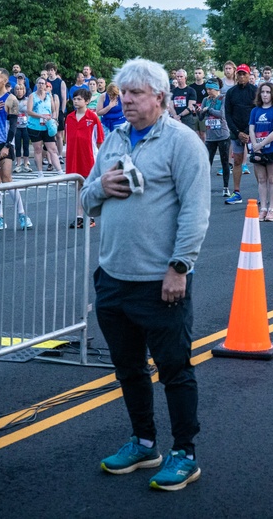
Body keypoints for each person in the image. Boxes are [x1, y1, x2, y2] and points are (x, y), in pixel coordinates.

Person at [83, 58, 209, 492]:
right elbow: (86, 198)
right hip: (113, 277)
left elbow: (196, 211)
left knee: (175, 370)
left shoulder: (182, 142)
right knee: (129, 369)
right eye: (122, 93)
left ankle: (184, 453)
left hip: (161, 280)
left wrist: (179, 267)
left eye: (135, 94)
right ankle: (143, 443)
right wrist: (102, 187)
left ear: (159, 96)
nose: (127, 101)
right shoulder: (115, 137)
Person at [0, 68, 32, 231]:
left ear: (4, 80)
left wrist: (7, 145)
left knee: (7, 178)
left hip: (5, 144)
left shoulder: (11, 99)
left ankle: (22, 214)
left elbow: (14, 126)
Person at [65, 88, 105, 228]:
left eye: (79, 99)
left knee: (89, 187)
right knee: (78, 187)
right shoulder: (69, 117)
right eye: (75, 99)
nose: (76, 101)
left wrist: (101, 158)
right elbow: (67, 138)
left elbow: (99, 140)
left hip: (88, 157)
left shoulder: (92, 118)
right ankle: (79, 216)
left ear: (87, 101)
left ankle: (91, 216)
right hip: (74, 157)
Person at [248, 82, 273, 222]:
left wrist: (262, 144)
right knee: (261, 179)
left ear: (272, 94)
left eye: (268, 92)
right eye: (263, 92)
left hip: (272, 148)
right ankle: (263, 208)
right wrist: (255, 145)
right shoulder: (255, 110)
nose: (265, 95)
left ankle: (272, 209)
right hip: (258, 149)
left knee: (272, 179)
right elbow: (251, 128)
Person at [223, 64, 256, 205]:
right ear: (236, 75)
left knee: (259, 162)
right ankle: (236, 192)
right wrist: (237, 132)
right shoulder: (231, 93)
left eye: (245, 74)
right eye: (240, 74)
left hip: (253, 132)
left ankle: (262, 193)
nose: (242, 77)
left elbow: (257, 111)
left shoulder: (255, 91)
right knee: (237, 161)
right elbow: (228, 114)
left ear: (249, 75)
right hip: (236, 132)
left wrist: (249, 132)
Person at [199, 80, 231, 197]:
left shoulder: (223, 99)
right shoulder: (205, 100)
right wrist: (199, 112)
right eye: (207, 89)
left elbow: (222, 114)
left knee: (224, 162)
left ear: (216, 89)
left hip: (222, 135)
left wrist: (209, 110)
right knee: (207, 163)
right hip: (210, 136)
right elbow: (201, 117)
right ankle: (204, 188)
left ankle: (226, 187)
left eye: (210, 89)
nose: (208, 91)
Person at [28, 76, 62, 180]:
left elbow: (54, 109)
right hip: (35, 126)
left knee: (52, 149)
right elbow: (29, 111)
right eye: (39, 83)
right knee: (38, 149)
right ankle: (40, 172)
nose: (41, 85)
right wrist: (41, 116)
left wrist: (54, 119)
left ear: (46, 85)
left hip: (47, 126)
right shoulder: (32, 96)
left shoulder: (49, 96)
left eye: (43, 84)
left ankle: (60, 171)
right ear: (36, 85)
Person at [45, 63, 68, 159]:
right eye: (48, 70)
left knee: (59, 135)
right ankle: (50, 156)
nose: (50, 72)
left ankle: (59, 155)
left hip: (58, 110)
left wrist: (62, 112)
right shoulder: (45, 82)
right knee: (49, 134)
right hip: (47, 111)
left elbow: (64, 98)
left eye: (52, 70)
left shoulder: (60, 82)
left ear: (55, 70)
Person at [13, 81, 32, 173]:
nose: (19, 91)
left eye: (21, 89)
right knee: (17, 145)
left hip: (25, 126)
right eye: (17, 89)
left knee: (26, 145)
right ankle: (18, 164)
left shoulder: (28, 100)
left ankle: (25, 164)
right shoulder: (13, 100)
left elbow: (31, 112)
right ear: (15, 91)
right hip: (16, 126)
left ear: (24, 91)